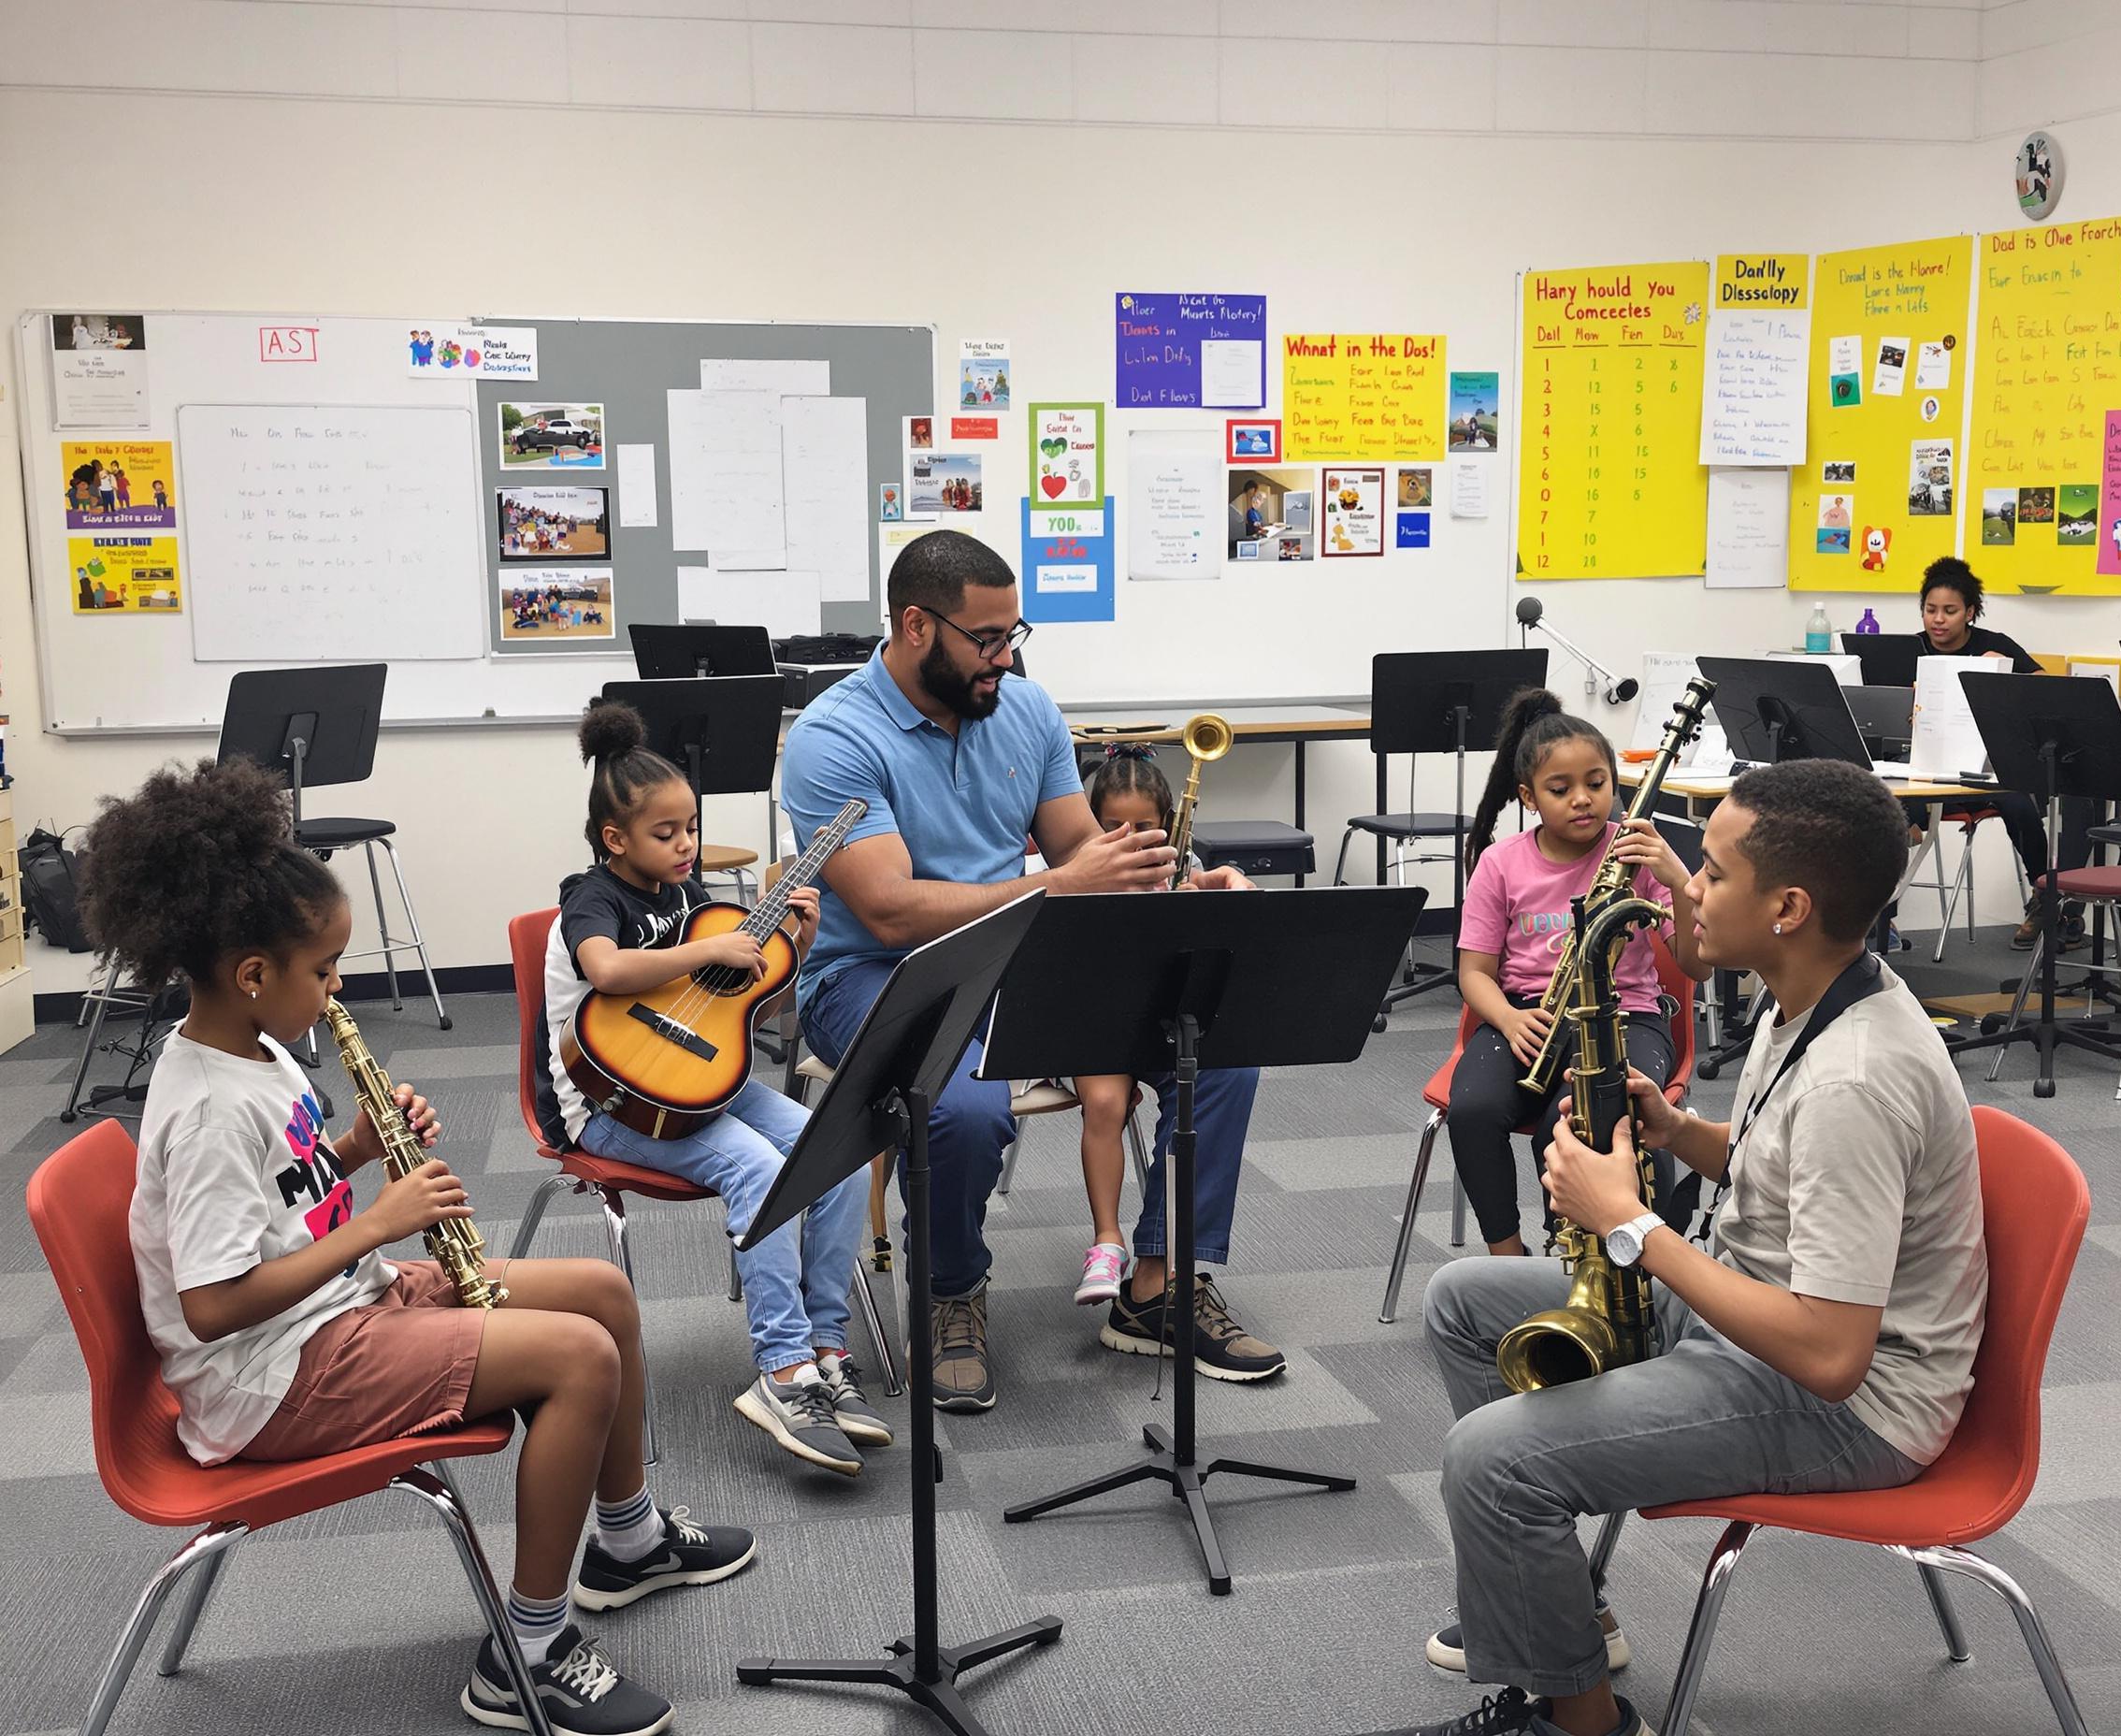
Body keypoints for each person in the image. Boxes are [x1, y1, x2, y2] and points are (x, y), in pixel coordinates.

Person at [79, 757, 746, 1736]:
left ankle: (630, 1538)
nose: (337, 986)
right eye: (323, 970)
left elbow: (283, 1200)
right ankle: (529, 1645)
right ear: (253, 973)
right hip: (274, 1374)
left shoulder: (256, 1047)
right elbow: (213, 1305)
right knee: (579, 1354)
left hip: (344, 1303)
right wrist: (377, 1221)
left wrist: (350, 1148)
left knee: (601, 1290)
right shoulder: (209, 1109)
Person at [1416, 759, 1986, 1736]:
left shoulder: (1856, 1076)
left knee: (1493, 1459)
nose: (1685, 889)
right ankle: (1557, 1606)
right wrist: (1681, 1133)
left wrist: (1632, 1224)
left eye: (1713, 872)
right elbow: (1784, 1165)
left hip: (1846, 1402)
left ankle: (1585, 1721)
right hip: (1757, 1307)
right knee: (1463, 1298)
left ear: (1788, 905)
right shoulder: (1813, 987)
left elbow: (1831, 1355)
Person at [783, 531, 1285, 1412]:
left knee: (1219, 1049)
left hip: (1020, 958)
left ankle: (1156, 1286)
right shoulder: (833, 738)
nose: (1004, 657)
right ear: (914, 627)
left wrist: (1176, 882)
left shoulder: (1024, 708)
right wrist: (1058, 884)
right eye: (986, 638)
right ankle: (951, 1294)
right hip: (875, 974)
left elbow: (1082, 852)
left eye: (1015, 634)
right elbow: (890, 908)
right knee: (960, 1108)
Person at [540, 702, 887, 1480]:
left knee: (839, 1151)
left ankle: (827, 1346)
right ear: (614, 840)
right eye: (666, 835)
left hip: (699, 1083)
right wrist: (712, 947)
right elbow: (607, 970)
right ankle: (783, 1371)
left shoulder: (692, 901)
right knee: (757, 1170)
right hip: (604, 1102)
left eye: (691, 828)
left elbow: (745, 994)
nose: (686, 845)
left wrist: (798, 938)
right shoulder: (591, 895)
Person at [1450, 689, 1706, 1256]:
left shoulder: (1636, 851)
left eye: (1597, 783)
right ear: (1529, 797)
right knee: (1472, 1111)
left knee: (1564, 1130)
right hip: (1529, 1016)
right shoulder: (1501, 862)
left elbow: (1696, 966)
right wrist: (1510, 1020)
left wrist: (1679, 877)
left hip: (1626, 1017)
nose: (1584, 800)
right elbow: (1473, 973)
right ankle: (1507, 1257)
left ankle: (1576, 1266)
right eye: (1560, 790)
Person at [1912, 557, 2095, 949]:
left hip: (1984, 769)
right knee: (1877, 808)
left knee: (2020, 807)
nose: (1938, 620)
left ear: (1970, 613)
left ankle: (2047, 896)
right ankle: (1878, 921)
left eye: (1950, 611)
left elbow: (2046, 688)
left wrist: (2004, 673)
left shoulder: (1994, 645)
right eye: (1930, 610)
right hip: (1922, 768)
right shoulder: (1909, 649)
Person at [1066, 744, 1178, 1305]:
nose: (1129, 839)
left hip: (1158, 1019)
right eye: (1112, 827)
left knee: (1203, 1086)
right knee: (1107, 1104)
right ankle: (1107, 1241)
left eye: (1145, 827)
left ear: (1169, 827)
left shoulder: (1184, 873)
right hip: (1095, 1018)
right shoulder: (1076, 878)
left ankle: (1165, 1247)